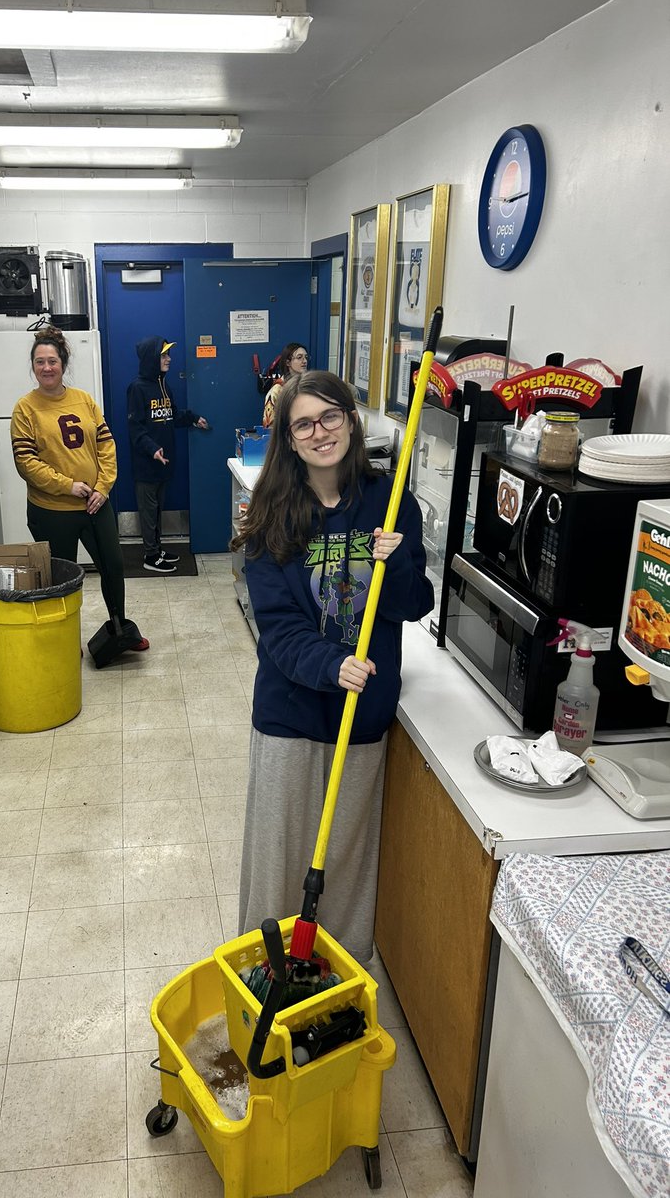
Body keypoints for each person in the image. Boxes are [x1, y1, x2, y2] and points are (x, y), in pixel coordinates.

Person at [231, 369, 433, 963]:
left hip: (361, 712)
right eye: (304, 424)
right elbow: (279, 627)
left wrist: (395, 565)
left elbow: (413, 605)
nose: (320, 432)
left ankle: (335, 979)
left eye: (331, 417)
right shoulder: (271, 516)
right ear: (289, 439)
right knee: (280, 855)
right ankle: (261, 971)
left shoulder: (390, 502)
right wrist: (331, 664)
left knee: (342, 857)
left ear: (352, 419)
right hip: (291, 710)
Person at [11, 325, 148, 649]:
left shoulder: (83, 400)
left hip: (96, 504)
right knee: (62, 579)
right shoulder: (24, 409)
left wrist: (103, 487)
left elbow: (106, 445)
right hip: (52, 511)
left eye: (52, 361)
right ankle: (62, 641)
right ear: (33, 366)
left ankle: (120, 630)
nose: (46, 367)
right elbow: (26, 463)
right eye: (40, 362)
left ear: (63, 363)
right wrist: (67, 486)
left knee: (113, 567)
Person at [127, 336, 208, 574]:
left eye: (168, 354)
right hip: (146, 464)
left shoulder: (165, 386)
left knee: (158, 510)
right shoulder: (137, 388)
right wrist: (152, 449)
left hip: (165, 463)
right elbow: (135, 427)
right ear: (152, 358)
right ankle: (150, 555)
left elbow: (171, 416)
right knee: (149, 512)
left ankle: (157, 548)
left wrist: (193, 418)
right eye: (164, 355)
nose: (169, 359)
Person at [261, 342, 309, 427]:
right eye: (299, 357)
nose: (304, 361)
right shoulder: (276, 391)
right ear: (288, 362)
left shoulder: (309, 386)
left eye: (306, 357)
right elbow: (269, 426)